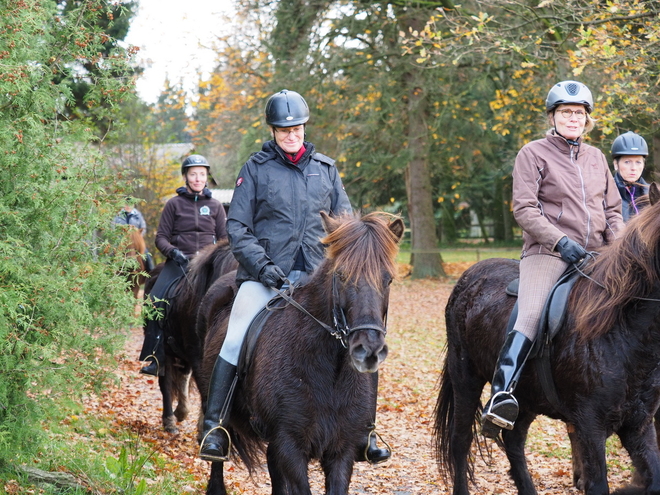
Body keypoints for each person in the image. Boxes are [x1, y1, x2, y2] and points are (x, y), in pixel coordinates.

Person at [198, 89, 391, 465]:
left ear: (305, 127)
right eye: (284, 129)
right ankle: (215, 425)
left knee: (364, 331)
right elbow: (237, 227)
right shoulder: (254, 169)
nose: (291, 135)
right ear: (272, 131)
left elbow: (347, 226)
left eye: (297, 128)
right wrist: (265, 268)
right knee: (235, 333)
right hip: (265, 276)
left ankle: (365, 429)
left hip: (319, 279)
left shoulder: (326, 169)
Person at [480, 80, 625, 439]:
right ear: (553, 116)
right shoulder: (532, 153)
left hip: (598, 254)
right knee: (530, 313)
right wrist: (560, 241)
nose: (573, 119)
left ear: (587, 119)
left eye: (578, 113)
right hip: (548, 253)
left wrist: (620, 248)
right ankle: (502, 394)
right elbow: (525, 208)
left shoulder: (596, 158)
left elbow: (612, 209)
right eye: (565, 112)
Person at [139, 154, 228, 376]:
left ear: (207, 177)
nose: (198, 178)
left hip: (207, 264)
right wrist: (173, 252)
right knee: (155, 300)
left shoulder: (216, 206)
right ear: (186, 177)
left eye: (201, 174)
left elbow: (225, 238)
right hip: (179, 262)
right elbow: (160, 238)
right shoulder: (174, 204)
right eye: (193, 174)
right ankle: (156, 355)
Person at [611, 131, 650, 222]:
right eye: (627, 162)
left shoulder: (652, 194)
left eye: (638, 162)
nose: (633, 168)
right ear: (616, 164)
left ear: (643, 165)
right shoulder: (605, 192)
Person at [113, 201, 156, 272]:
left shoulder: (138, 215)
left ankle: (151, 271)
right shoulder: (118, 215)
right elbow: (114, 228)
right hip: (122, 241)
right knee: (112, 254)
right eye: (126, 204)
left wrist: (138, 237)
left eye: (130, 204)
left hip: (135, 241)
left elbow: (143, 227)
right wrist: (119, 238)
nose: (128, 206)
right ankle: (108, 273)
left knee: (146, 253)